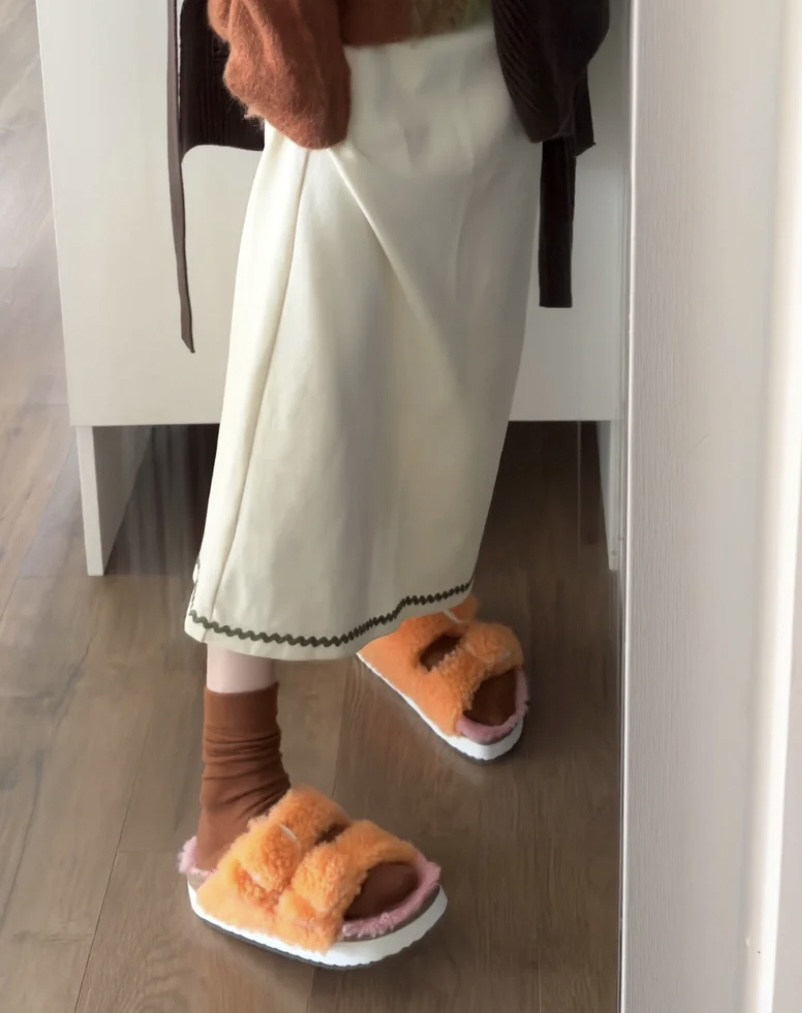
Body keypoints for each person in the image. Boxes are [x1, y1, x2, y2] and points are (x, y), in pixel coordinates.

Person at [177, 0, 607, 967]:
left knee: (456, 357)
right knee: (300, 395)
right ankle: (232, 786)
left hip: (496, 42)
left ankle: (408, 601)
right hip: (342, 50)